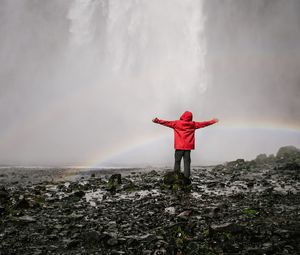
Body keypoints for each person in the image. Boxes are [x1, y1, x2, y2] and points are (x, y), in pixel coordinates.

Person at [152, 111, 218, 179]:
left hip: (179, 148)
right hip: (187, 148)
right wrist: (213, 121)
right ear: (191, 117)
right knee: (187, 163)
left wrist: (157, 120)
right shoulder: (193, 124)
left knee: (177, 162)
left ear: (182, 116)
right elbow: (204, 123)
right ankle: (186, 178)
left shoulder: (176, 123)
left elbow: (166, 123)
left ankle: (176, 177)